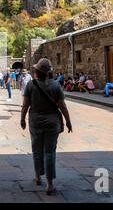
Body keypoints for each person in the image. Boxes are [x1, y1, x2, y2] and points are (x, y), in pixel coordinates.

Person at [20, 59, 73, 196]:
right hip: (52, 122)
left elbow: (25, 105)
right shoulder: (55, 86)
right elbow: (62, 106)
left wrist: (22, 119)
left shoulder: (31, 85)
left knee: (36, 149)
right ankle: (49, 184)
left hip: (35, 122)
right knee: (50, 152)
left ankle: (38, 176)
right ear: (48, 72)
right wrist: (68, 121)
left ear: (37, 72)